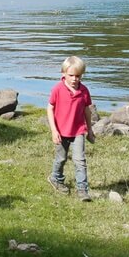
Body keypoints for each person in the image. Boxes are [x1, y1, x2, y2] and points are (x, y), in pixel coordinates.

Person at [47, 55, 95, 201]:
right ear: (63, 74)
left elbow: (87, 110)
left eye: (78, 76)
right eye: (71, 75)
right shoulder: (57, 89)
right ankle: (56, 178)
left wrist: (90, 130)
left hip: (78, 130)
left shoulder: (84, 91)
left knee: (80, 160)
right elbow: (50, 108)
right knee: (61, 158)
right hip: (61, 131)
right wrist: (54, 131)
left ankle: (82, 190)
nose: (75, 79)